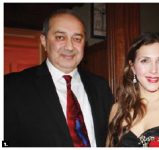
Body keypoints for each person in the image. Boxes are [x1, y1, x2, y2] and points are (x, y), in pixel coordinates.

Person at [4, 9, 113, 147]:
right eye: (60, 37)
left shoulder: (100, 87)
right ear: (44, 41)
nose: (69, 46)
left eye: (77, 39)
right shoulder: (12, 87)